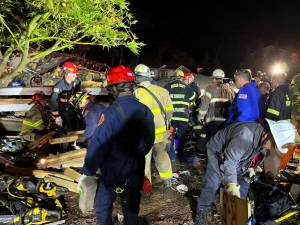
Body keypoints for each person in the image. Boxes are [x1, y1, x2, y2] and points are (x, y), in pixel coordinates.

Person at [79, 65, 155, 225]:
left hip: (112, 174)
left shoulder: (110, 113)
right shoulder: (146, 110)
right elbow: (148, 143)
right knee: (131, 211)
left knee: (102, 208)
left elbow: (98, 145)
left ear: (114, 89)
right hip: (135, 172)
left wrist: (88, 171)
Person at [194, 119, 296, 225]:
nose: (272, 148)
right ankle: (202, 210)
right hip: (217, 150)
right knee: (213, 181)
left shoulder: (263, 140)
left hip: (238, 158)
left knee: (243, 184)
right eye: (273, 144)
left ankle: (236, 215)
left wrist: (251, 167)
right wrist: (231, 183)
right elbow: (231, 161)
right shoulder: (245, 135)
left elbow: (252, 154)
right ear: (267, 134)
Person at [134, 64, 173, 186]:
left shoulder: (135, 94)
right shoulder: (162, 91)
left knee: (144, 159)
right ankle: (167, 180)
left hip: (144, 133)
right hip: (161, 132)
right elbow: (170, 112)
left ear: (136, 78)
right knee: (162, 154)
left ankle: (146, 184)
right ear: (148, 76)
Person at [164, 69, 197, 166]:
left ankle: (172, 158)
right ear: (182, 78)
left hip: (171, 118)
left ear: (174, 77)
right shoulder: (186, 87)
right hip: (183, 117)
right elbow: (193, 98)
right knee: (181, 138)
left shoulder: (168, 86)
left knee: (170, 137)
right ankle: (181, 158)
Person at [198, 69, 235, 140]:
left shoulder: (210, 88)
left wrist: (200, 117)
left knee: (211, 143)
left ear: (214, 78)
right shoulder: (230, 90)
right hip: (226, 122)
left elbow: (205, 105)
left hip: (213, 121)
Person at [49, 61, 82, 132]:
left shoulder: (77, 82)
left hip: (73, 111)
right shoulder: (59, 87)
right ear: (68, 74)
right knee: (67, 131)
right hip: (63, 113)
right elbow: (53, 102)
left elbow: (77, 94)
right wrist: (57, 117)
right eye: (74, 74)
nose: (75, 76)